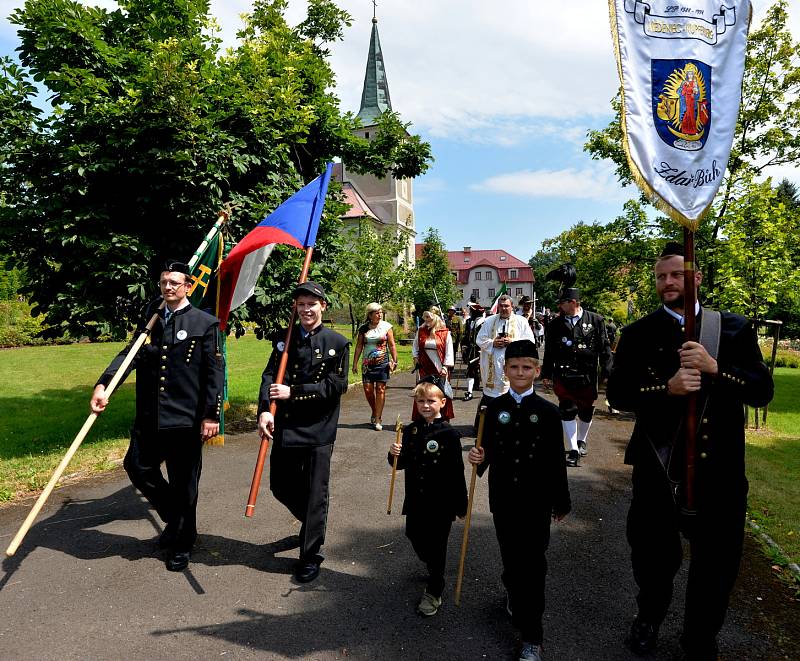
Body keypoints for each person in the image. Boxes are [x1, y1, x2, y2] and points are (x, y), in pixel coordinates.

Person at [606, 242, 773, 660]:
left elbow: (762, 391)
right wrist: (667, 389)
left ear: (696, 278)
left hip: (720, 472)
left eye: (676, 274)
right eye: (661, 276)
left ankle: (700, 637)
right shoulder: (638, 333)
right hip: (659, 468)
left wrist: (717, 369)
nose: (667, 282)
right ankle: (648, 618)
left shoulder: (733, 329)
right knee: (652, 557)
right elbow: (620, 394)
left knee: (716, 566)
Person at [90, 260, 224, 572]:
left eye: (175, 283)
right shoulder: (151, 321)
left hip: (186, 420)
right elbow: (129, 355)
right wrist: (103, 385)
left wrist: (210, 415)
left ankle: (182, 543)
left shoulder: (205, 324)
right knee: (136, 465)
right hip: (151, 417)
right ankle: (178, 520)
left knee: (184, 482)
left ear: (188, 286)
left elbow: (213, 375)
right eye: (164, 282)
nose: (168, 288)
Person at [468, 340, 571, 661]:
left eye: (527, 367)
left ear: (537, 371)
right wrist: (478, 457)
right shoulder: (491, 409)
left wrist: (561, 500)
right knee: (512, 561)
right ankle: (512, 590)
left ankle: (532, 637)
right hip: (504, 499)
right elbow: (484, 451)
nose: (520, 372)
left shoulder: (549, 413)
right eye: (514, 367)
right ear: (504, 369)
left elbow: (557, 460)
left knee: (533, 566)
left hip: (536, 502)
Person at [257, 281, 350, 584]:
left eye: (312, 304)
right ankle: (312, 523)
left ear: (323, 306)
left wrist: (293, 391)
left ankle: (310, 555)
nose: (306, 310)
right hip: (286, 426)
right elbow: (270, 375)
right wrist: (264, 410)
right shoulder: (285, 341)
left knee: (315, 495)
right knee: (280, 485)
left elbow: (336, 387)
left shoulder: (337, 343)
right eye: (301, 305)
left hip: (318, 429)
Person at [388, 376, 467, 617]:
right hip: (415, 499)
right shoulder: (410, 431)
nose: (425, 405)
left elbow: (457, 471)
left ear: (442, 403)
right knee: (414, 535)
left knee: (437, 545)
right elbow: (398, 465)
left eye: (431, 401)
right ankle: (432, 564)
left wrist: (461, 504)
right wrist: (393, 454)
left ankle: (435, 589)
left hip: (441, 503)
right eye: (421, 401)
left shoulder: (450, 435)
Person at [541, 287, 612, 467]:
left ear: (573, 303)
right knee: (567, 409)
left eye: (562, 302)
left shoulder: (596, 320)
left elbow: (605, 348)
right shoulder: (555, 324)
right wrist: (546, 374)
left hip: (587, 375)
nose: (559, 306)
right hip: (563, 375)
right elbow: (549, 352)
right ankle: (573, 449)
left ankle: (581, 441)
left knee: (586, 410)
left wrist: (608, 373)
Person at [475, 294, 535, 417]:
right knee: (490, 401)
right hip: (493, 370)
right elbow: (479, 339)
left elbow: (530, 342)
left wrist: (512, 342)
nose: (503, 308)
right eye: (501, 306)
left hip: (514, 367)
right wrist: (493, 343)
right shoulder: (489, 321)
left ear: (512, 307)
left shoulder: (521, 321)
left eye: (506, 306)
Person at [352, 302, 398, 431]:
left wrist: (395, 361)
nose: (380, 314)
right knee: (367, 389)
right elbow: (359, 346)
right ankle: (374, 410)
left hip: (383, 363)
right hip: (367, 364)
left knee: (380, 389)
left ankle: (378, 418)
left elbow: (392, 345)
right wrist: (355, 363)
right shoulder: (364, 328)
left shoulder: (387, 327)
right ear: (370, 314)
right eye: (377, 312)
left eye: (380, 312)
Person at [412, 307, 455, 420]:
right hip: (424, 368)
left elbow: (449, 351)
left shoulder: (445, 333)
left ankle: (442, 419)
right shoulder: (421, 331)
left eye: (429, 318)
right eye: (425, 318)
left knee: (440, 392)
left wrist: (446, 367)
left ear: (435, 318)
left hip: (439, 368)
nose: (427, 321)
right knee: (423, 392)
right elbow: (415, 347)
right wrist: (416, 358)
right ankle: (422, 419)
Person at [461, 300, 485, 401]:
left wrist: (483, 349)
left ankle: (486, 393)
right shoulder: (470, 322)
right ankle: (469, 392)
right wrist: (464, 345)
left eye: (471, 311)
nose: (470, 312)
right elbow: (467, 335)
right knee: (470, 370)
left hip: (481, 351)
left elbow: (485, 338)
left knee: (483, 371)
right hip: (472, 350)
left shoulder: (484, 322)